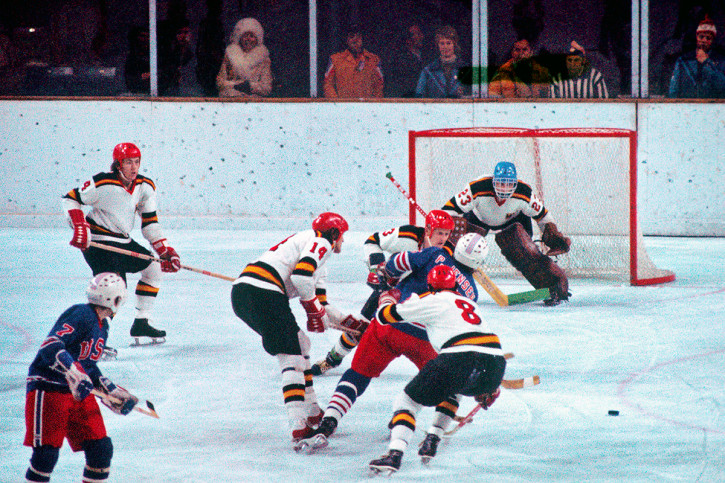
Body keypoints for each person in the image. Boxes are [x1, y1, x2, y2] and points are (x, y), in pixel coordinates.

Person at [294, 233, 489, 453]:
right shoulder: (471, 292)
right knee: (443, 385)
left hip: (390, 325)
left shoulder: (435, 253)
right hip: (425, 340)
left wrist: (387, 276)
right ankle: (427, 428)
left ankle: (328, 422)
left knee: (358, 374)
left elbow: (397, 264)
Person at [231, 212, 363, 445]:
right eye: (342, 235)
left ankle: (313, 412)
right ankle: (298, 424)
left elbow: (318, 300)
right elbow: (301, 277)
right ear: (334, 233)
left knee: (301, 344)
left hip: (246, 294)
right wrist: (313, 310)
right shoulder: (321, 242)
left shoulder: (314, 251)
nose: (343, 240)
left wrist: (346, 322)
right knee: (291, 356)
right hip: (263, 293)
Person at [367, 264, 505, 474]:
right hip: (495, 363)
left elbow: (384, 316)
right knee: (455, 388)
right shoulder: (469, 303)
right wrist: (489, 386)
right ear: (454, 285)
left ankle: (395, 455)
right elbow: (482, 343)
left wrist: (387, 297)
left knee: (407, 401)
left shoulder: (431, 300)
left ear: (430, 286)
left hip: (460, 358)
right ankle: (433, 438)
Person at [61, 142, 181, 352]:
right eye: (128, 162)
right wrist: (79, 225)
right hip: (97, 242)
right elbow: (70, 199)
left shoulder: (145, 187)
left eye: (136, 162)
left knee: (153, 269)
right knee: (112, 288)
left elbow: (150, 222)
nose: (133, 167)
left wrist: (164, 250)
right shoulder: (102, 182)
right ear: (118, 164)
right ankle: (90, 338)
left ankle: (141, 323)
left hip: (122, 241)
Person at [23, 273, 139, 482]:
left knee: (100, 449)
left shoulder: (103, 327)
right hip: (48, 387)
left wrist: (110, 389)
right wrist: (73, 372)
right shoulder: (81, 314)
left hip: (76, 392)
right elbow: (51, 346)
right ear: (115, 299)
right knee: (45, 456)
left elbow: (88, 365)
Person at [310, 210, 455, 376]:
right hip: (390, 289)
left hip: (421, 296)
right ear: (428, 230)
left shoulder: (448, 252)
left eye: (446, 234)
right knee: (361, 326)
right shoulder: (408, 235)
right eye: (439, 233)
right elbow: (373, 241)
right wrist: (376, 267)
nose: (443, 238)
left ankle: (441, 373)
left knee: (429, 336)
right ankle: (331, 360)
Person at [441, 161, 571, 305]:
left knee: (527, 252)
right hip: (478, 219)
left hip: (513, 221)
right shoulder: (477, 188)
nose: (504, 188)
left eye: (509, 184)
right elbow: (448, 210)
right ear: (493, 181)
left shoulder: (524, 193)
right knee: (462, 249)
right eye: (501, 184)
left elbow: (542, 215)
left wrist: (551, 232)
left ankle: (551, 288)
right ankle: (446, 285)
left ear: (515, 183)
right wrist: (442, 231)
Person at [668, 15, 725, 98]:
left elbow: (722, 86)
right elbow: (673, 90)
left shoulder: (720, 61)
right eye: (701, 37)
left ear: (712, 41)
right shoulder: (683, 60)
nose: (704, 40)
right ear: (696, 37)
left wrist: (707, 62)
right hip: (686, 107)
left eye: (708, 38)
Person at [216, 17, 273, 98]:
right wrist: (237, 85)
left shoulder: (264, 59)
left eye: (252, 36)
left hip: (254, 103)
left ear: (257, 39)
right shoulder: (230, 56)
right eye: (245, 35)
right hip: (232, 100)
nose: (248, 39)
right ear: (240, 38)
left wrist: (250, 86)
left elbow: (267, 87)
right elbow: (220, 83)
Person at [323, 25, 384, 99]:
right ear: (346, 40)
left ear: (363, 39)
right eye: (351, 36)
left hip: (367, 108)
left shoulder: (374, 60)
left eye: (358, 37)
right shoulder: (335, 60)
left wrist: (374, 106)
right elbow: (328, 85)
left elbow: (379, 87)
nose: (355, 40)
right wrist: (337, 105)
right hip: (343, 108)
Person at [415, 25, 469, 98]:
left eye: (448, 43)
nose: (445, 47)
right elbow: (419, 96)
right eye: (442, 43)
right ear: (438, 45)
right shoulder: (428, 71)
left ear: (454, 44)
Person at [385, 23, 427, 98]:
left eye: (420, 33)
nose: (421, 37)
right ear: (408, 40)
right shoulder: (401, 60)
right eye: (416, 34)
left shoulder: (427, 57)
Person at [124, 26, 151, 95]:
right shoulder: (129, 55)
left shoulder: (155, 55)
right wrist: (140, 76)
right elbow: (126, 77)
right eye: (142, 36)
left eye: (148, 36)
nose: (145, 39)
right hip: (132, 92)